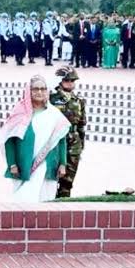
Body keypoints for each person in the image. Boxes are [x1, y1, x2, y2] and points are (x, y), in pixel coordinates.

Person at [0, 75, 70, 203]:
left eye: (43, 89)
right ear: (29, 91)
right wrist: (12, 164)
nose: (39, 92)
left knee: (45, 200)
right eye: (35, 89)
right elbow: (9, 141)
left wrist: (63, 164)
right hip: (24, 165)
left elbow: (61, 139)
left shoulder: (54, 113)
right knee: (23, 200)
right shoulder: (19, 112)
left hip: (48, 163)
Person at [50, 66, 87, 198]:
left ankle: (64, 203)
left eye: (72, 81)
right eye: (67, 80)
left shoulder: (79, 100)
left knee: (68, 180)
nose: (70, 83)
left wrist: (81, 145)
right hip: (56, 140)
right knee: (52, 177)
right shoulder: (51, 99)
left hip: (74, 142)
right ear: (60, 81)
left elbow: (82, 124)